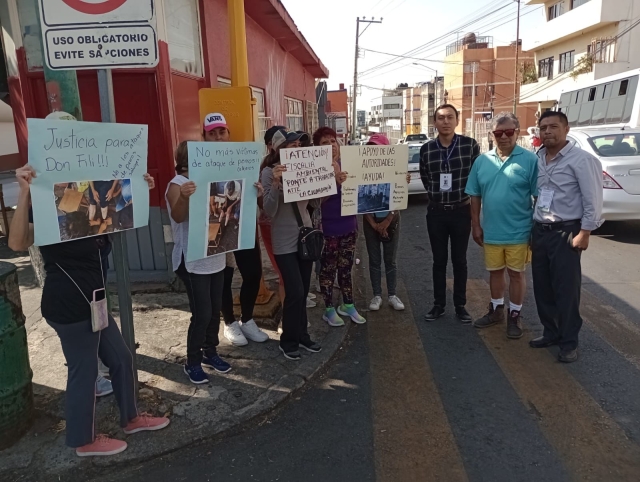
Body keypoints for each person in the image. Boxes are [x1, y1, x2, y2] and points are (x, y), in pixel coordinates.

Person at [9, 165, 168, 457]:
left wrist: (139, 188)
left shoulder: (96, 194)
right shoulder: (49, 200)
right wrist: (24, 192)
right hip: (68, 301)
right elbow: (17, 242)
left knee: (121, 357)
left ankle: (131, 419)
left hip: (95, 300)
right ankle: (83, 440)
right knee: (85, 371)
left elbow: (127, 216)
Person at [530, 111, 603, 363]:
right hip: (540, 230)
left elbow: (592, 199)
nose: (547, 131)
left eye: (553, 127)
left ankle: (569, 342)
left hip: (566, 232)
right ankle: (550, 332)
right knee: (542, 287)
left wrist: (585, 232)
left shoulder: (583, 160)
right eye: (543, 127)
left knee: (566, 290)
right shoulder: (537, 159)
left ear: (566, 129)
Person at [465, 112, 538, 339]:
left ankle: (514, 315)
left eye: (509, 132)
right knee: (495, 273)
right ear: (492, 135)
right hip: (492, 232)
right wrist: (476, 225)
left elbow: (540, 197)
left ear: (517, 132)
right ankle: (496, 310)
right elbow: (474, 196)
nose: (503, 136)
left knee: (516, 275)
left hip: (519, 231)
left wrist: (535, 229)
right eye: (498, 132)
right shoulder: (481, 161)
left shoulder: (530, 160)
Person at [200, 113, 269, 347]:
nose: (218, 137)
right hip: (216, 225)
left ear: (228, 134)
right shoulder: (198, 161)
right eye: (212, 133)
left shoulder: (244, 158)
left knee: (252, 273)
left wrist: (258, 193)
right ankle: (229, 322)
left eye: (222, 132)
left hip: (243, 222)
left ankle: (247, 319)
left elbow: (256, 196)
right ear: (204, 137)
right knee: (223, 277)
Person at [262, 128, 331, 359]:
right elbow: (269, 211)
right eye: (292, 145)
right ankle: (288, 340)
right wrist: (275, 182)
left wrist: (327, 180)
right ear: (281, 149)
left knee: (302, 291)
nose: (297, 148)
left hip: (305, 237)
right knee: (294, 290)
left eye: (299, 145)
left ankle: (302, 335)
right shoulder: (268, 172)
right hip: (283, 241)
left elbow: (315, 202)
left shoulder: (304, 167)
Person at [166, 140, 232, 384]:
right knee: (202, 313)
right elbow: (177, 215)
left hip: (215, 255)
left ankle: (210, 352)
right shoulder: (178, 184)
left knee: (215, 310)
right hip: (192, 261)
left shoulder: (213, 179)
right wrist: (184, 197)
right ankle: (192, 362)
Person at [420, 104, 479, 323]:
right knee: (439, 260)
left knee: (460, 260)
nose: (445, 122)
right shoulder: (427, 149)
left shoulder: (469, 145)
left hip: (460, 210)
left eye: (450, 117)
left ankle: (460, 306)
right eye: (441, 118)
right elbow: (427, 179)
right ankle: (438, 304)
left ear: (457, 120)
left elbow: (475, 180)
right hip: (436, 212)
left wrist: (474, 215)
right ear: (435, 122)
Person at [313, 127, 365, 327]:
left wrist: (398, 181)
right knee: (327, 270)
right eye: (324, 143)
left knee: (346, 268)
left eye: (333, 141)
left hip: (349, 226)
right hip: (327, 228)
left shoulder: (348, 165)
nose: (330, 146)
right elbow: (316, 202)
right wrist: (333, 182)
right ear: (317, 148)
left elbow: (366, 187)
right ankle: (328, 309)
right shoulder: (315, 170)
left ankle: (348, 304)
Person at [362, 133, 406, 312]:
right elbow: (360, 202)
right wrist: (374, 224)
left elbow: (399, 198)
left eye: (379, 148)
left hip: (392, 221)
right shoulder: (362, 172)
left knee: (390, 260)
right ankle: (377, 295)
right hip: (370, 221)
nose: (375, 152)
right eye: (372, 148)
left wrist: (387, 221)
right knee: (374, 260)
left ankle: (392, 295)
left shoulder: (395, 171)